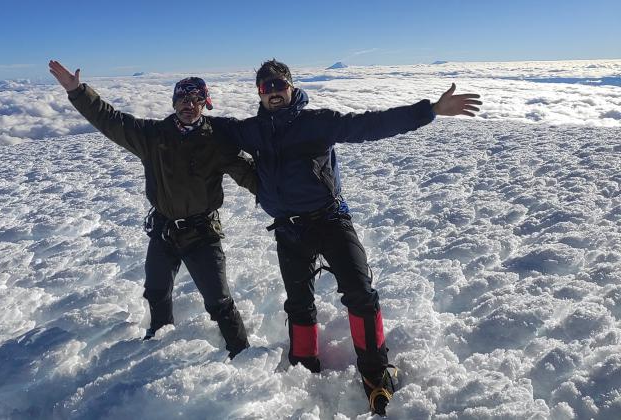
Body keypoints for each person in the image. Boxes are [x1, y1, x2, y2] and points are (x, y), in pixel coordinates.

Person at [210, 59, 481, 415]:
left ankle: (375, 372)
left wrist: (429, 110)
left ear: (291, 86)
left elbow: (371, 124)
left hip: (330, 220)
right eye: (266, 88)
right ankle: (304, 363)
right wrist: (189, 108)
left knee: (360, 294)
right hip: (289, 229)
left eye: (279, 85)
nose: (274, 92)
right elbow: (202, 128)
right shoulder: (250, 131)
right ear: (259, 93)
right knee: (299, 302)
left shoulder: (316, 123)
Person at [48, 60, 257, 359]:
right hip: (164, 230)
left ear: (205, 104)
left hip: (202, 233)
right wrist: (78, 91)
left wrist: (289, 198)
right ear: (174, 103)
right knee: (157, 291)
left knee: (219, 302)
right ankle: (159, 344)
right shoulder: (153, 136)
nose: (189, 105)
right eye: (183, 99)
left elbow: (250, 175)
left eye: (196, 99)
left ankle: (241, 353)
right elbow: (112, 120)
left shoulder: (216, 142)